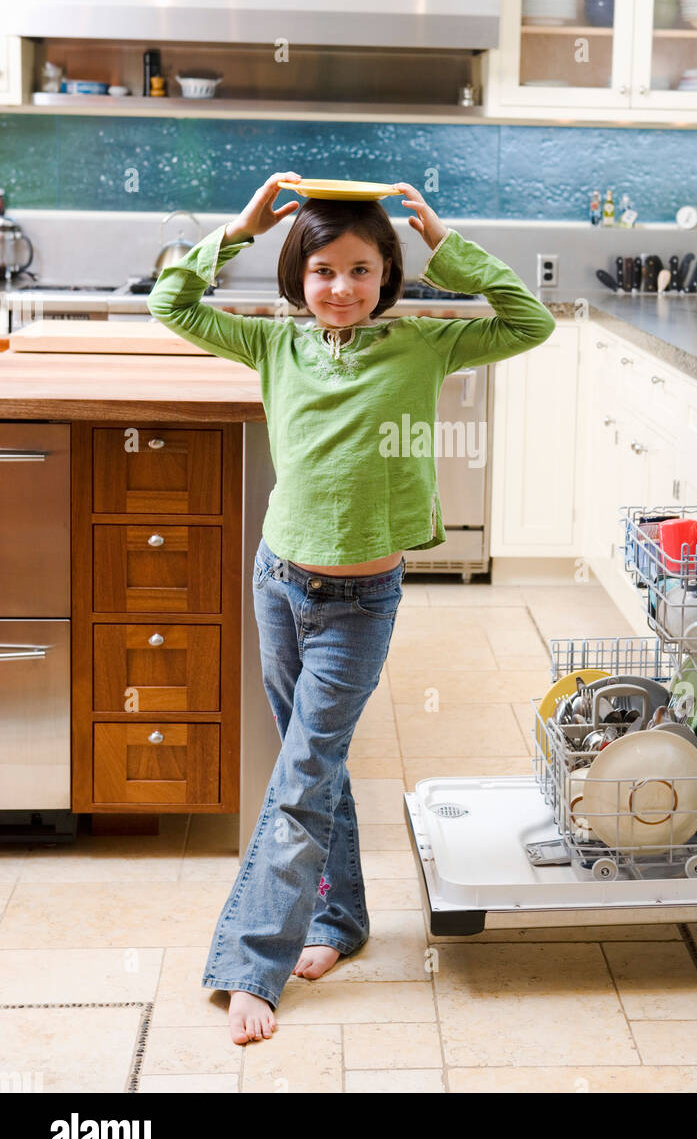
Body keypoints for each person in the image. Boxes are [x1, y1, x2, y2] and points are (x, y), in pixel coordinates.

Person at [147, 171, 556, 1044]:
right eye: (324, 270)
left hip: (360, 602)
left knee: (299, 778)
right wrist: (242, 227)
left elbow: (530, 320)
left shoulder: (422, 344)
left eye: (362, 270)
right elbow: (172, 303)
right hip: (278, 582)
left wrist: (450, 245)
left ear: (388, 277)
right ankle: (338, 922)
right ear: (298, 275)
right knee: (315, 766)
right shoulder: (273, 346)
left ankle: (253, 964)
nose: (341, 288)